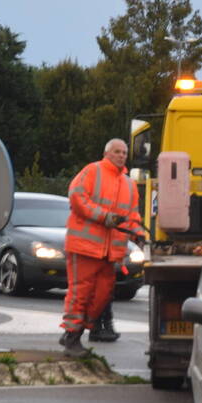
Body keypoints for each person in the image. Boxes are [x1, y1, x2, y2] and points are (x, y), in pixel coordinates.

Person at [59, 138, 145, 357]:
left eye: (124, 152)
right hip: (85, 247)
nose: (121, 155)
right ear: (106, 153)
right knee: (81, 292)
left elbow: (132, 215)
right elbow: (77, 197)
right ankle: (72, 335)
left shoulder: (129, 184)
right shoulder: (92, 172)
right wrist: (103, 217)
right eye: (117, 151)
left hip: (110, 253)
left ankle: (77, 331)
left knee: (101, 295)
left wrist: (139, 232)